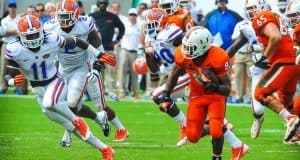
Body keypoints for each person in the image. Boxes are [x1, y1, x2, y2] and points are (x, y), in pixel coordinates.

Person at [5, 15, 115, 160]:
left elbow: (77, 41)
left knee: (50, 103)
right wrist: (13, 82)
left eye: (35, 34)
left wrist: (99, 54)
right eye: (29, 35)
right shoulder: (14, 49)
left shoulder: (51, 39)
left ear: (41, 31)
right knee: (71, 128)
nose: (33, 38)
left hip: (55, 82)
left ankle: (77, 119)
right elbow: (7, 76)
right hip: (38, 91)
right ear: (20, 35)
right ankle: (105, 149)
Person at [44, 0, 118, 147]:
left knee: (71, 102)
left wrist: (97, 65)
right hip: (62, 68)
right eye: (61, 16)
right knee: (59, 104)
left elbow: (97, 44)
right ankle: (98, 117)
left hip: (80, 67)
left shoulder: (85, 23)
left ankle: (68, 133)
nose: (63, 20)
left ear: (76, 14)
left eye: (67, 16)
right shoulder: (50, 26)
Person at [163, 26, 231, 160]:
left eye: (191, 47)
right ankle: (216, 127)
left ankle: (217, 156)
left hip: (215, 97)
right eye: (186, 46)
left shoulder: (218, 56)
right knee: (193, 136)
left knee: (216, 131)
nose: (186, 50)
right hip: (196, 95)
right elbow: (174, 74)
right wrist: (166, 93)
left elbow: (227, 89)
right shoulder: (183, 55)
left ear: (203, 45)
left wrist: (213, 86)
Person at [249, 0, 300, 141]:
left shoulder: (262, 17)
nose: (250, 12)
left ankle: (290, 119)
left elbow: (275, 37)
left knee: (259, 93)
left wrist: (263, 58)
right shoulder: (276, 18)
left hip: (284, 62)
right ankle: (296, 132)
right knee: (287, 103)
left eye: (252, 8)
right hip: (293, 63)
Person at [89, 0, 125, 101]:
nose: (103, 5)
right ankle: (99, 92)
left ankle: (111, 92)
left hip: (108, 48)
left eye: (105, 3)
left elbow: (122, 28)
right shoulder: (92, 16)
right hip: (96, 50)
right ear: (97, 4)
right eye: (101, 3)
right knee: (98, 72)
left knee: (110, 72)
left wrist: (117, 40)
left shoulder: (112, 16)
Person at [119, 8, 142, 99]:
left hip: (135, 52)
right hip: (124, 50)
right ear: (128, 16)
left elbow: (142, 38)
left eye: (134, 15)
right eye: (131, 15)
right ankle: (122, 91)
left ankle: (135, 92)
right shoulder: (124, 24)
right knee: (122, 72)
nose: (132, 17)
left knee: (135, 73)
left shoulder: (140, 25)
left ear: (136, 16)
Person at [0, 0, 20, 94]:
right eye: (10, 6)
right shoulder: (4, 20)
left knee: (18, 68)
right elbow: (3, 33)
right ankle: (2, 87)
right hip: (6, 44)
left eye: (13, 6)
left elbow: (21, 32)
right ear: (8, 8)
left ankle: (18, 88)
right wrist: (15, 31)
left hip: (17, 44)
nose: (12, 8)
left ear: (16, 8)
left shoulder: (19, 19)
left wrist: (10, 32)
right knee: (3, 67)